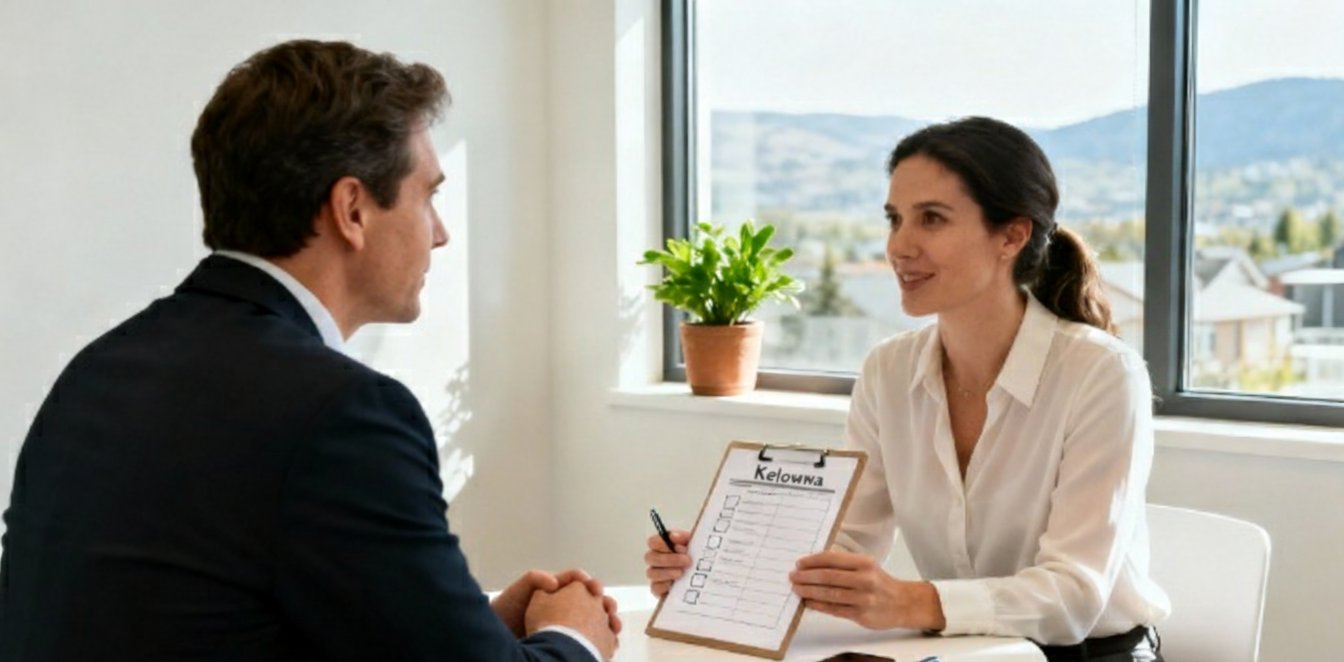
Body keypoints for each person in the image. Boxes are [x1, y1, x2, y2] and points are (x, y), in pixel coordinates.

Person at [0, 40, 618, 661]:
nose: (441, 233)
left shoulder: (98, 372)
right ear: (352, 209)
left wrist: (464, 625)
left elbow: (194, 617)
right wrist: (573, 636)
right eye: (427, 196)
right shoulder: (343, 415)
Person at [645, 117, 1169, 661]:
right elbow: (850, 540)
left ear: (1011, 235)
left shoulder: (1102, 374)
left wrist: (907, 602)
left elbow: (1072, 596)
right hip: (969, 651)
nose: (900, 245)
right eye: (894, 219)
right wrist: (720, 568)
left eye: (932, 219)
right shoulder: (888, 371)